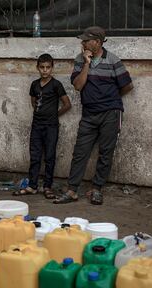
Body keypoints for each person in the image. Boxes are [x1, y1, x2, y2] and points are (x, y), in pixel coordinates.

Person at [54, 26, 133, 205]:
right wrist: (87, 64)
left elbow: (127, 86)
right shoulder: (80, 60)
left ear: (97, 42)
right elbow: (78, 86)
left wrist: (109, 99)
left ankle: (97, 189)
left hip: (110, 114)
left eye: (86, 40)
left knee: (106, 153)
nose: (82, 43)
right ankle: (72, 190)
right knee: (80, 152)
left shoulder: (113, 60)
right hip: (89, 115)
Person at [13, 53, 71, 199]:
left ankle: (47, 186)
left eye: (48, 67)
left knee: (50, 156)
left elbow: (67, 104)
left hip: (51, 126)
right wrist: (40, 113)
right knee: (35, 156)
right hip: (37, 125)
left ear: (52, 68)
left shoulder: (56, 85)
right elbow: (33, 102)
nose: (45, 70)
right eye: (42, 67)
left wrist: (54, 115)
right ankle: (32, 186)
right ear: (37, 68)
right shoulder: (34, 85)